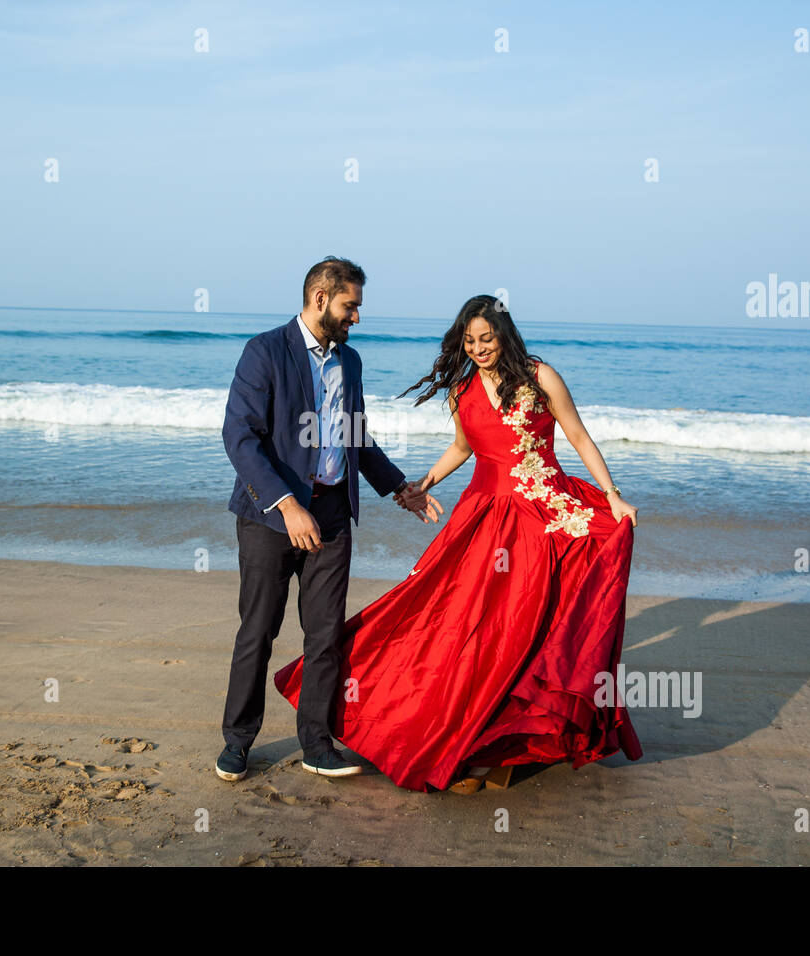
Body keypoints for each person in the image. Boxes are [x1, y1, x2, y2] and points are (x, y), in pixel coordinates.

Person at [273, 294, 642, 792]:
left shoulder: (542, 376)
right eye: (469, 341)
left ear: (504, 334)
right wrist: (422, 484)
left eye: (486, 339)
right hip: (483, 516)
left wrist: (612, 496)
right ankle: (464, 736)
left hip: (544, 515)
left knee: (527, 623)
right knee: (458, 619)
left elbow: (577, 435)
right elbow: (464, 448)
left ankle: (515, 737)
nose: (478, 348)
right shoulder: (461, 386)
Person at [217, 256, 440, 783]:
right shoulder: (264, 351)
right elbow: (240, 438)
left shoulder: (351, 362)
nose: (356, 317)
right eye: (350, 305)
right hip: (271, 519)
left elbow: (357, 435)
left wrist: (397, 488)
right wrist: (287, 505)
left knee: (324, 636)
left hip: (334, 514)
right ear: (321, 298)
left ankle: (316, 744)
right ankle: (238, 742)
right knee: (258, 630)